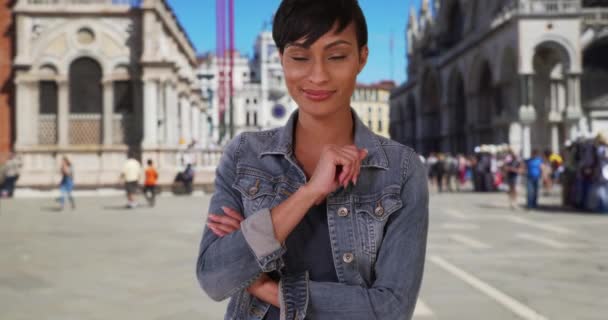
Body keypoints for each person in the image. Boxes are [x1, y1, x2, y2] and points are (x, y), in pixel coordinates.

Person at [195, 1, 429, 319]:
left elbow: (391, 309)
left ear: (362, 58)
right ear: (281, 61)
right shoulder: (244, 154)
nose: (318, 75)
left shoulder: (400, 169)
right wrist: (307, 194)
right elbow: (214, 277)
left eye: (336, 56)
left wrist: (271, 288)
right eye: (300, 57)